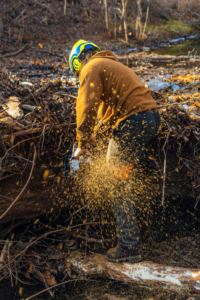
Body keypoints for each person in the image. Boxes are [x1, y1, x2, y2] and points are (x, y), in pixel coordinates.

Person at [69, 39, 161, 263]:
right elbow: (108, 114)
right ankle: (142, 231)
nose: (78, 74)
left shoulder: (90, 68)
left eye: (76, 70)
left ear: (79, 62)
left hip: (134, 121)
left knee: (116, 179)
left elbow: (86, 105)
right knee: (122, 173)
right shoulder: (110, 66)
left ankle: (130, 245)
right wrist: (95, 134)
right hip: (149, 119)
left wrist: (81, 143)